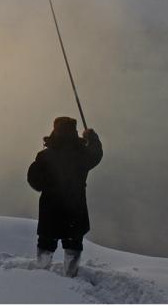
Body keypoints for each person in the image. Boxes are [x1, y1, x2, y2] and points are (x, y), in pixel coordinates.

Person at [27, 116, 103, 277]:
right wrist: (91, 137)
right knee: (74, 244)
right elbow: (96, 154)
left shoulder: (44, 156)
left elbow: (35, 182)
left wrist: (48, 183)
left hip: (50, 209)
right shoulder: (83, 155)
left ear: (55, 131)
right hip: (76, 208)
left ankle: (41, 274)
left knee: (46, 243)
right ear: (74, 132)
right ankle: (70, 275)